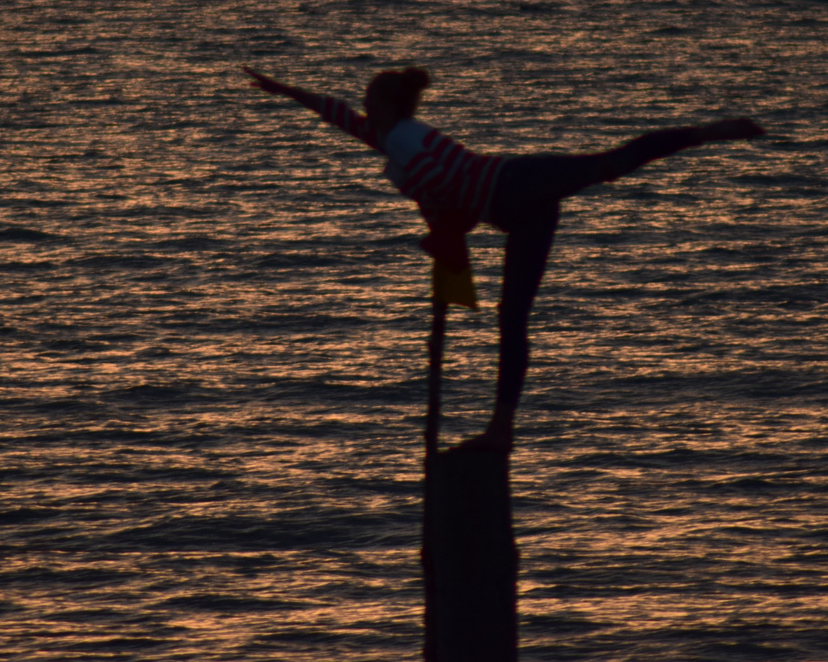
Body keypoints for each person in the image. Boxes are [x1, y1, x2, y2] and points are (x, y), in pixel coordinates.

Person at [243, 65, 763, 451]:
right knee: (512, 319)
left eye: (367, 101)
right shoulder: (387, 135)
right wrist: (284, 91)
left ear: (384, 107)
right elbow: (335, 113)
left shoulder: (403, 140)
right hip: (522, 215)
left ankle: (708, 132)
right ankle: (501, 430)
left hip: (515, 183)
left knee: (610, 166)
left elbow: (444, 187)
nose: (360, 109)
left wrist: (447, 235)